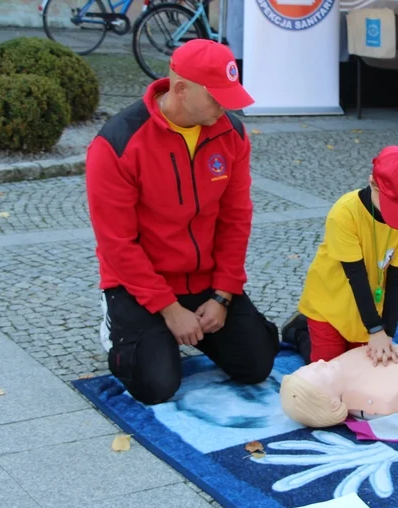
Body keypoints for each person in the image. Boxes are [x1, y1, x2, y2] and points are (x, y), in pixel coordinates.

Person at [86, 39, 279, 405]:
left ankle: (190, 328)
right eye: (216, 96)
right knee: (155, 386)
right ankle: (116, 325)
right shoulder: (117, 143)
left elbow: (236, 218)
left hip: (205, 281)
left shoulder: (231, 133)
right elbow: (116, 243)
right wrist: (169, 310)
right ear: (180, 89)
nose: (225, 106)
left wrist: (223, 294)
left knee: (257, 364)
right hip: (139, 285)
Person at [285, 146, 398, 367]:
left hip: (366, 307)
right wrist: (375, 329)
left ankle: (316, 334)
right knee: (331, 371)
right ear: (372, 183)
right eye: (394, 206)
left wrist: (387, 332)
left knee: (364, 369)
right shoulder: (345, 212)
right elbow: (356, 275)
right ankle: (297, 331)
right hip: (329, 304)